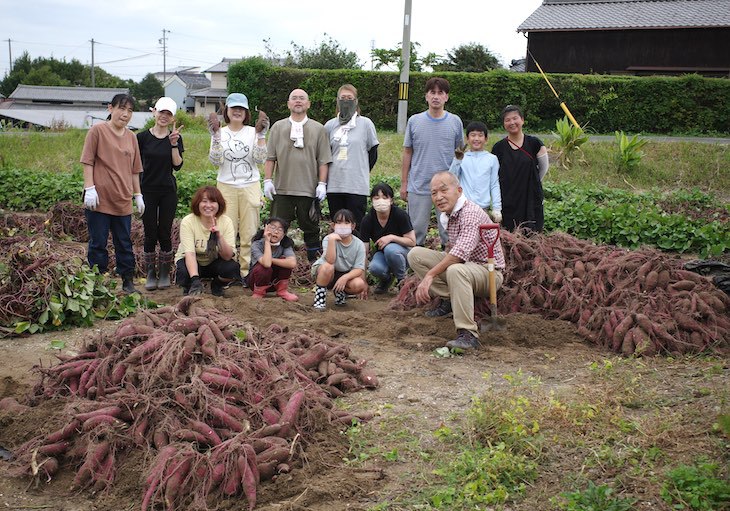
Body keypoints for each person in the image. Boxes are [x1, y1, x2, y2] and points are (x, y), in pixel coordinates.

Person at [407, 172, 505, 350]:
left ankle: (468, 334)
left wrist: (430, 275)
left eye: (444, 190)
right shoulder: (449, 215)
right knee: (415, 255)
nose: (439, 197)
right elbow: (451, 250)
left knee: (455, 270)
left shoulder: (469, 213)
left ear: (458, 191)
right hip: (466, 268)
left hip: (488, 273)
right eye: (434, 193)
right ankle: (449, 300)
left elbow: (459, 254)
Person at [80, 93, 144, 294]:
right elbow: (88, 161)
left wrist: (138, 195)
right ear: (110, 109)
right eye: (121, 109)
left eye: (130, 111)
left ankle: (127, 281)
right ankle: (96, 284)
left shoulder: (132, 137)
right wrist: (89, 188)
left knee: (124, 243)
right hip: (99, 200)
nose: (125, 114)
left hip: (122, 200)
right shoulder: (97, 131)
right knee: (98, 243)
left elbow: (135, 170)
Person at [264, 89, 333, 262]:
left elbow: (323, 160)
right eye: (294, 98)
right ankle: (275, 265)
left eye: (302, 98)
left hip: (308, 189)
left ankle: (313, 265)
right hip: (282, 188)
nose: (298, 101)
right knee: (276, 227)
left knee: (311, 227)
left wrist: (322, 183)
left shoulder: (319, 129)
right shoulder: (278, 127)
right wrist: (267, 180)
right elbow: (270, 158)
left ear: (308, 104)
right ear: (288, 104)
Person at [209, 92, 269, 279]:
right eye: (233, 108)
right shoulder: (220, 131)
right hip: (225, 185)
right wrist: (216, 138)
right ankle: (229, 271)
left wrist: (261, 136)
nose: (237, 111)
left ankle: (246, 273)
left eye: (241, 108)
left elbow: (260, 159)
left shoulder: (253, 132)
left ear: (246, 112)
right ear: (227, 110)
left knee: (249, 231)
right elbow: (215, 161)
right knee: (227, 230)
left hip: (250, 185)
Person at [401, 77, 464, 246]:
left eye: (440, 93)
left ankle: (450, 266)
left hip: (447, 187)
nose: (436, 96)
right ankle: (414, 267)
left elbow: (460, 153)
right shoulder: (414, 121)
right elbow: (407, 152)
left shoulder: (455, 121)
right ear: (426, 96)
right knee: (416, 230)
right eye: (432, 92)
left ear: (446, 97)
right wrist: (404, 183)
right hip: (419, 184)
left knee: (449, 231)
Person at [137, 97, 184, 291]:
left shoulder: (175, 137)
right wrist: (135, 192)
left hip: (167, 191)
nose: (164, 116)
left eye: (168, 114)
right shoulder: (141, 138)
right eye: (161, 112)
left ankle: (164, 272)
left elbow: (178, 165)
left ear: (172, 118)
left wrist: (173, 144)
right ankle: (150, 273)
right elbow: (134, 166)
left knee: (164, 232)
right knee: (150, 232)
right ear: (154, 112)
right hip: (146, 189)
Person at [324, 84, 379, 231]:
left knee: (356, 225)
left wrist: (361, 169)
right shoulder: (330, 126)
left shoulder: (366, 124)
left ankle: (357, 253)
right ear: (337, 101)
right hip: (335, 184)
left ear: (356, 101)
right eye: (343, 98)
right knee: (338, 225)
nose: (346, 101)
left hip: (356, 185)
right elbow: (324, 155)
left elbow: (373, 152)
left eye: (350, 98)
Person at [490, 105, 549, 233]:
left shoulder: (535, 143)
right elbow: (494, 175)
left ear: (522, 120)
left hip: (530, 196)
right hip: (508, 197)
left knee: (532, 231)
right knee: (509, 233)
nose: (512, 122)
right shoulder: (498, 148)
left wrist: (534, 183)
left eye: (515, 118)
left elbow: (544, 167)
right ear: (504, 124)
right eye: (507, 120)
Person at [174, 186, 240, 297]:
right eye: (204, 201)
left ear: (219, 205)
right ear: (198, 204)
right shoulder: (188, 221)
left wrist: (219, 236)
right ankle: (190, 285)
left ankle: (217, 284)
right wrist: (195, 279)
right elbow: (190, 254)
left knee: (232, 269)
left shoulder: (226, 221)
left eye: (213, 202)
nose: (208, 206)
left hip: (214, 261)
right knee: (183, 273)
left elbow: (228, 256)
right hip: (193, 261)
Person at [359, 182, 415, 294]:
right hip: (382, 254)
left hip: (404, 253)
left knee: (391, 249)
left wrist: (391, 237)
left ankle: (402, 281)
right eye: (376, 198)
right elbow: (363, 251)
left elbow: (412, 242)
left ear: (391, 200)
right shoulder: (367, 220)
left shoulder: (400, 215)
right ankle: (386, 280)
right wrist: (362, 281)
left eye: (385, 197)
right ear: (372, 201)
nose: (381, 201)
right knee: (374, 268)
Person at [311, 209, 367, 310]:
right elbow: (330, 261)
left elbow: (359, 268)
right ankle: (320, 299)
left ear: (353, 226)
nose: (343, 225)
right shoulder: (328, 239)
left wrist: (345, 278)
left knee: (359, 284)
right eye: (339, 222)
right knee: (328, 267)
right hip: (324, 271)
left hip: (344, 272)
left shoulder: (359, 244)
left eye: (346, 222)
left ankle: (340, 292)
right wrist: (332, 240)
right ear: (333, 225)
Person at [449, 121, 502, 222]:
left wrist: (497, 208)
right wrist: (457, 160)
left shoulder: (492, 159)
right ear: (467, 139)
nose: (476, 139)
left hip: (483, 208)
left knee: (483, 236)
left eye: (480, 135)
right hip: (464, 207)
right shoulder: (462, 157)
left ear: (486, 139)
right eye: (473, 135)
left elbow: (494, 184)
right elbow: (451, 179)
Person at [247, 217, 299, 302]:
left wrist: (271, 260)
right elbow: (266, 264)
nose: (276, 231)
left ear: (283, 234)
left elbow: (292, 263)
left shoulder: (285, 245)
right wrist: (267, 241)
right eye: (272, 227)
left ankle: (282, 291)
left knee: (284, 261)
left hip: (273, 284)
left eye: (280, 229)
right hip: (256, 282)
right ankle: (259, 293)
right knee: (263, 267)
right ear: (265, 228)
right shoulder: (257, 244)